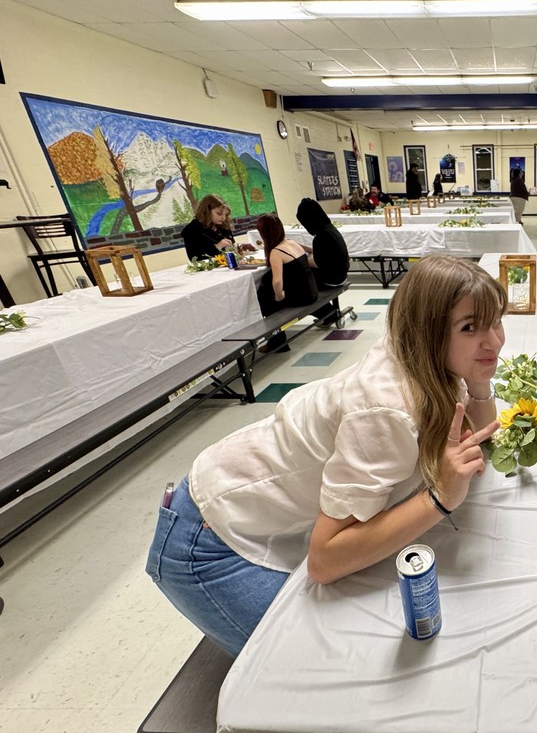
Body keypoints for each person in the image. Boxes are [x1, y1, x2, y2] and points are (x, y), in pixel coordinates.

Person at [146, 255, 506, 656]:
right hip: (207, 538)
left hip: (261, 507)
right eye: (470, 327)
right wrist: (438, 499)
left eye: (496, 321)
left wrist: (479, 381)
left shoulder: (424, 355)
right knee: (298, 671)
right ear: (428, 330)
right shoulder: (386, 407)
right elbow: (324, 559)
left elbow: (477, 443)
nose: (494, 341)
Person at [254, 213, 318, 352]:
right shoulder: (292, 243)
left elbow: (277, 281)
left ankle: (277, 342)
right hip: (312, 290)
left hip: (302, 297)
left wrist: (280, 295)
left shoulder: (276, 252)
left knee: (265, 299)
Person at [296, 198, 350, 326]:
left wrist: (299, 259)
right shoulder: (330, 229)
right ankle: (328, 313)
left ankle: (327, 313)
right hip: (341, 274)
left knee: (299, 287)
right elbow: (326, 254)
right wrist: (302, 248)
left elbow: (319, 262)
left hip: (332, 279)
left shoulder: (322, 236)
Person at [181, 194, 234, 260]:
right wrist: (217, 247)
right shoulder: (191, 230)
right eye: (219, 214)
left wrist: (239, 248)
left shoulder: (223, 225)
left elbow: (232, 247)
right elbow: (195, 258)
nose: (224, 217)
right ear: (207, 211)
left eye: (225, 214)